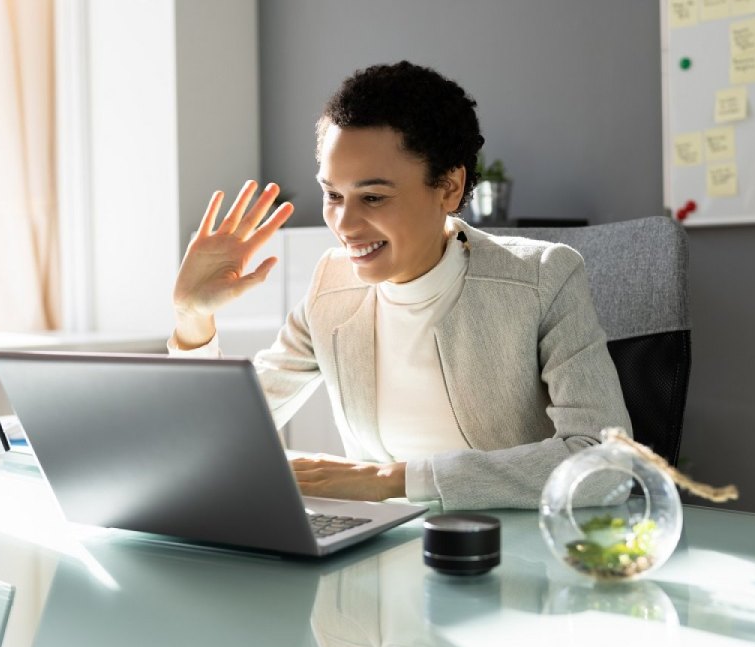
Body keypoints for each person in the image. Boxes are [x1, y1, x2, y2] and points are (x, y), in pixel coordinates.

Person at [170, 61, 630, 510]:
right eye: (333, 195)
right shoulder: (331, 286)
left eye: (373, 197)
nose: (345, 225)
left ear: (449, 188)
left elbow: (605, 464)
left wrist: (390, 481)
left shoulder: (542, 279)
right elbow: (216, 440)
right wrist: (192, 318)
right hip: (381, 549)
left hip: (507, 552)